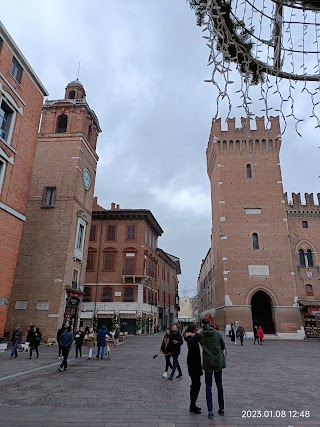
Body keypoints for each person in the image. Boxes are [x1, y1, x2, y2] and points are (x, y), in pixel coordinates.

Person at [198, 317, 226, 419]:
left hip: (207, 361)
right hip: (218, 361)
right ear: (210, 323)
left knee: (208, 385)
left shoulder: (201, 335)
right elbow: (223, 346)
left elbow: (198, 342)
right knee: (219, 385)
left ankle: (210, 411)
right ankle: (221, 408)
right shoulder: (217, 333)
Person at [184, 325, 203, 414]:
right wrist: (196, 335)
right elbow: (192, 344)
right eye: (195, 330)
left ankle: (193, 404)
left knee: (197, 384)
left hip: (196, 363)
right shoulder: (188, 337)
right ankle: (192, 405)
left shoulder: (191, 336)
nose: (197, 331)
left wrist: (195, 335)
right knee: (196, 384)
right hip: (192, 363)